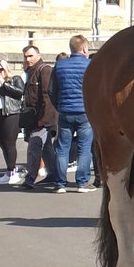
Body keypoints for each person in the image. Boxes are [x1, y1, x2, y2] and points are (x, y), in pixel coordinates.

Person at [50, 37, 93, 193]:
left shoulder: (60, 65)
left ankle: (60, 184)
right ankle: (82, 183)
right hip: (85, 112)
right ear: (84, 49)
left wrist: (59, 106)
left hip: (65, 111)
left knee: (62, 148)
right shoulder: (90, 65)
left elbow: (51, 90)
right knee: (84, 148)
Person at [19, 44, 57, 189]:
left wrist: (45, 120)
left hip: (42, 119)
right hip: (33, 118)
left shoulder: (44, 70)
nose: (28, 59)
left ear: (38, 55)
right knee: (46, 148)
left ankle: (30, 179)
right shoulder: (30, 72)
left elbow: (47, 96)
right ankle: (54, 175)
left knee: (34, 148)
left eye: (30, 56)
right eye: (25, 56)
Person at [0, 59, 25, 184]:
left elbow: (20, 92)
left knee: (9, 143)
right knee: (1, 142)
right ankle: (10, 170)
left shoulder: (15, 79)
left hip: (11, 113)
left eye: (0, 69)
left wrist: (4, 84)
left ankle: (12, 172)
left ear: (6, 69)